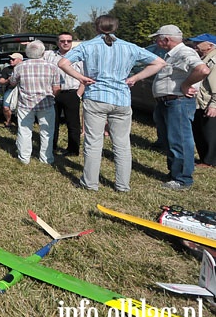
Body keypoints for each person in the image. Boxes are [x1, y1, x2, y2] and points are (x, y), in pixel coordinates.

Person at [59, 15, 165, 192]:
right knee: (122, 144)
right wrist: (135, 78)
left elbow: (63, 63)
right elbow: (159, 62)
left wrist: (81, 78)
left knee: (93, 142)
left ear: (96, 28)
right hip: (122, 98)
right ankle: (122, 185)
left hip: (96, 97)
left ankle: (90, 183)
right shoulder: (130, 47)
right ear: (116, 28)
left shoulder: (88, 46)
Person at [150, 25, 210, 191]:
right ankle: (175, 173)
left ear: (166, 39)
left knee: (180, 140)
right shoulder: (172, 55)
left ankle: (183, 179)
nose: (156, 41)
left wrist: (186, 84)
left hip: (178, 102)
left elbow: (203, 69)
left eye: (157, 38)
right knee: (170, 139)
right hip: (167, 102)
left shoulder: (184, 52)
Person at [10, 41, 60, 165]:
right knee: (47, 131)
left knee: (24, 131)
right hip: (46, 103)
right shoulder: (52, 67)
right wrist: (53, 96)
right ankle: (46, 158)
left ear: (27, 52)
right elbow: (57, 88)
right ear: (43, 52)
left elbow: (12, 82)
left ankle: (24, 158)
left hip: (25, 104)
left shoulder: (20, 67)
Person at [44, 32, 84, 156]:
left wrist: (78, 94)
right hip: (53, 93)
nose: (66, 43)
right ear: (57, 42)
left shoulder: (78, 58)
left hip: (72, 93)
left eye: (69, 41)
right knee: (52, 122)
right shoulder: (50, 56)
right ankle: (51, 147)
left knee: (73, 124)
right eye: (62, 41)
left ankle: (73, 149)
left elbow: (85, 77)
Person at [189, 33, 216, 168]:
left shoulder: (214, 60)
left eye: (198, 43)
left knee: (209, 132)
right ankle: (204, 158)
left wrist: (214, 105)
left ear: (210, 45)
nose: (195, 45)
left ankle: (210, 161)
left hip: (209, 103)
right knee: (199, 130)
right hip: (200, 102)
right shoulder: (204, 58)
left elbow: (215, 85)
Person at [0, 53, 23, 127]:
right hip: (10, 89)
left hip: (23, 90)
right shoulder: (6, 69)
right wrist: (7, 81)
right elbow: (1, 81)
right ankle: (8, 121)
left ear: (20, 60)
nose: (11, 60)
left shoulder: (25, 68)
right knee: (5, 107)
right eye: (10, 59)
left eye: (13, 59)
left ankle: (21, 123)